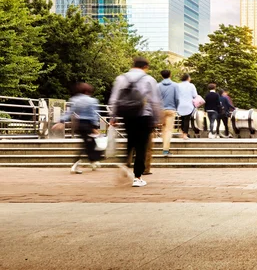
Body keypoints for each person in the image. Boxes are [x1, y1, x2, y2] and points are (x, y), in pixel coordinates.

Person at [109, 57, 162, 188]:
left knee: (130, 140)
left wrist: (113, 117)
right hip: (144, 115)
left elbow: (114, 99)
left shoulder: (121, 78)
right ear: (145, 66)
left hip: (128, 115)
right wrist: (157, 119)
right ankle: (137, 177)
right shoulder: (149, 79)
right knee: (141, 146)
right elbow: (155, 101)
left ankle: (125, 163)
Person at [52, 83, 101, 174]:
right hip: (88, 124)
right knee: (86, 144)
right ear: (87, 91)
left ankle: (93, 161)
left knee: (89, 143)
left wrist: (61, 121)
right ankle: (76, 163)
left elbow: (69, 112)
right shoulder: (92, 101)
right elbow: (94, 115)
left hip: (79, 125)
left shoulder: (75, 100)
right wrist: (95, 127)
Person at [158, 70, 179, 156]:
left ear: (161, 76)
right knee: (168, 130)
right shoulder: (175, 85)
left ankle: (164, 147)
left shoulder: (158, 86)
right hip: (171, 109)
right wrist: (176, 107)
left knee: (163, 129)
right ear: (170, 75)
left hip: (160, 110)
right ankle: (165, 150)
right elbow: (177, 98)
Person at [177, 73, 198, 140]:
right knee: (186, 120)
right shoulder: (191, 85)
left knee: (182, 119)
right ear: (188, 78)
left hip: (180, 105)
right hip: (188, 105)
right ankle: (185, 135)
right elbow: (195, 95)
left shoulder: (178, 85)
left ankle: (182, 133)